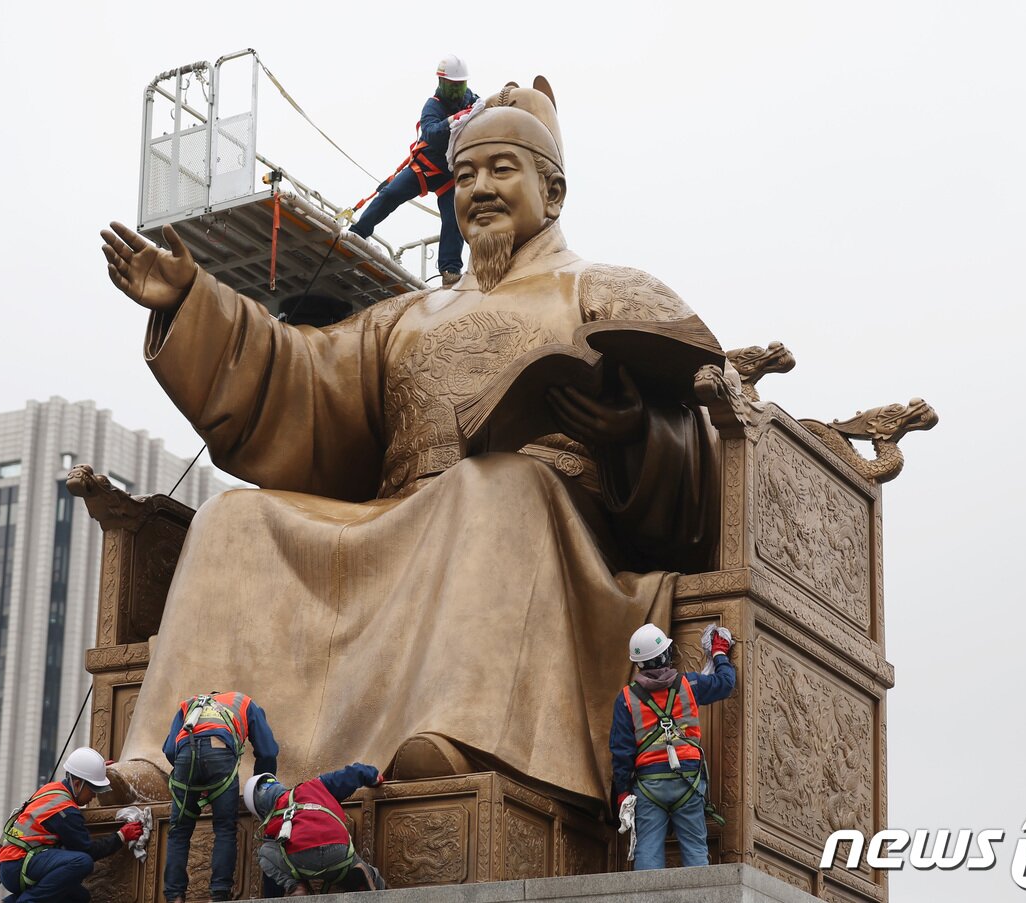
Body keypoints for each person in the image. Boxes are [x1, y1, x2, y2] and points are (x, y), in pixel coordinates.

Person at [98, 76, 717, 809]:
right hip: (400, 521)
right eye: (463, 175)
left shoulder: (606, 289)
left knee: (493, 483)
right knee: (236, 518)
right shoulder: (408, 315)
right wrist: (194, 302)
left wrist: (633, 434)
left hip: (556, 541)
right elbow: (304, 379)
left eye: (500, 170)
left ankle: (460, 735)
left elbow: (706, 424)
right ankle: (179, 760)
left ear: (552, 193)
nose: (479, 188)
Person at [610, 623, 735, 870]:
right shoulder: (690, 685)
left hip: (649, 785)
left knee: (647, 850)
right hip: (687, 781)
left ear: (639, 664)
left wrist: (623, 793)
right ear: (666, 655)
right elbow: (725, 683)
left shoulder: (626, 698)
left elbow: (621, 752)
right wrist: (719, 653)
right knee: (695, 849)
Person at [349, 55, 479, 285]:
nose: (457, 92)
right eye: (453, 86)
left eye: (461, 86)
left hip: (449, 175)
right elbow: (431, 134)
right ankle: (358, 233)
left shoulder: (472, 101)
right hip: (425, 168)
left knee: (454, 217)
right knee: (390, 194)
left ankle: (450, 269)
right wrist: (453, 120)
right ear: (442, 83)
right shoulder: (433, 105)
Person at [163, 691, 279, 903]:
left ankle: (174, 896)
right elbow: (268, 752)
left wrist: (195, 777)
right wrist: (259, 788)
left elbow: (170, 749)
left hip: (184, 756)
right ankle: (219, 894)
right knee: (224, 828)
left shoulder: (189, 704)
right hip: (220, 752)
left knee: (178, 831)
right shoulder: (243, 702)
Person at [0, 747, 143, 902]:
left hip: (14, 864)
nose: (94, 795)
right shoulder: (65, 810)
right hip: (19, 865)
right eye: (93, 788)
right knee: (82, 862)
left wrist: (98, 772)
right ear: (78, 784)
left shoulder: (53, 788)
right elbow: (87, 850)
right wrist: (121, 836)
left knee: (79, 897)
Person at [243, 765, 386, 895]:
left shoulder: (272, 822)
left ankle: (296, 887)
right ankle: (370, 879)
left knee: (264, 853)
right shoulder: (315, 786)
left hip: (302, 861)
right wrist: (374, 777)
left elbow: (272, 866)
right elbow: (353, 773)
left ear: (261, 811)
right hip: (339, 851)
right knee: (358, 868)